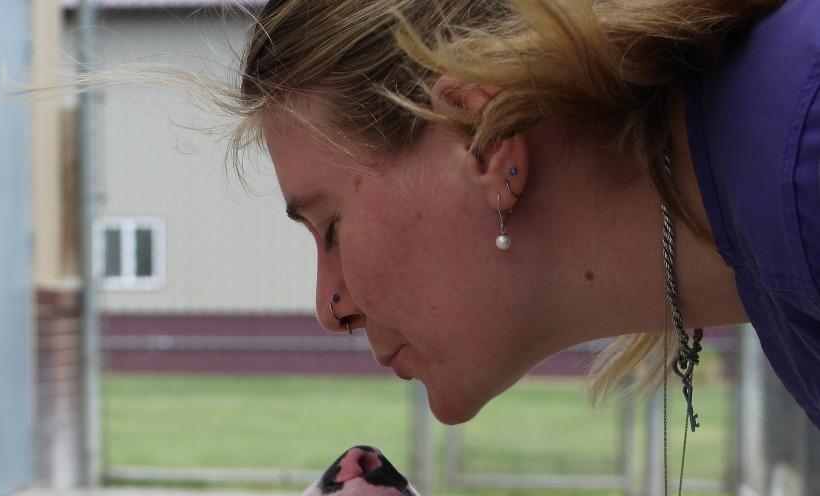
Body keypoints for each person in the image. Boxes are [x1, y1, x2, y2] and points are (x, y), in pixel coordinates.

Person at [218, 0, 819, 432]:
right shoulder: (782, 257)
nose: (331, 309)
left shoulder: (804, 168)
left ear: (485, 140)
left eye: (331, 229)